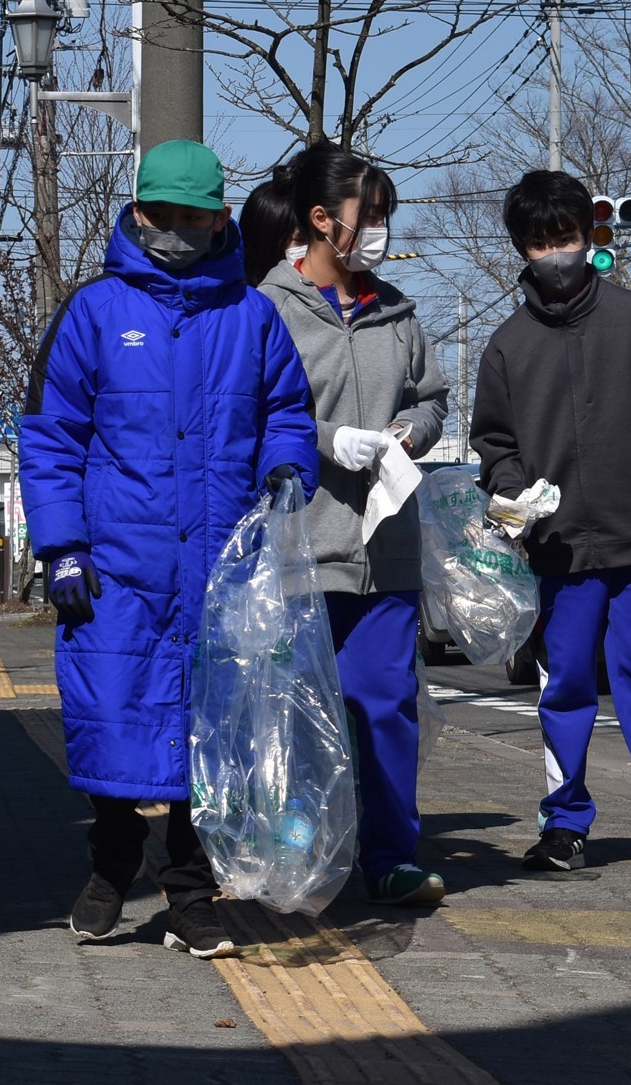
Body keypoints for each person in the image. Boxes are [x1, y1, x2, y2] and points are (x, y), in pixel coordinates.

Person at [20, 140, 318, 958]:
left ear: (221, 216)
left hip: (220, 564)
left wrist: (288, 462)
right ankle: (111, 862)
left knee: (210, 732)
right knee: (112, 717)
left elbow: (286, 411)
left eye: (197, 217)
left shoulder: (251, 315)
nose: (181, 232)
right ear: (138, 211)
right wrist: (62, 547)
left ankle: (190, 892)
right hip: (117, 567)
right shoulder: (93, 312)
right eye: (166, 216)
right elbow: (50, 437)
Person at [469, 169, 631, 877]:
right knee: (563, 685)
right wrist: (513, 496)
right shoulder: (506, 345)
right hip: (557, 550)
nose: (557, 253)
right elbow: (494, 443)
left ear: (589, 236)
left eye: (566, 237)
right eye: (540, 242)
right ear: (521, 247)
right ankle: (564, 823)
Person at [248, 141, 450, 905]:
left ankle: (390, 855)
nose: (380, 232)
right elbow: (256, 412)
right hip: (302, 543)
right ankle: (297, 853)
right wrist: (329, 439)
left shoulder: (396, 312)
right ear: (322, 219)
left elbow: (432, 398)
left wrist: (411, 432)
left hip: (385, 547)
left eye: (385, 217)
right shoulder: (266, 308)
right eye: (371, 216)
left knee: (384, 707)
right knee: (297, 715)